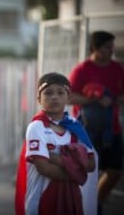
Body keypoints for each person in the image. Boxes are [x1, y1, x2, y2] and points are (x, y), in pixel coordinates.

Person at [15, 72, 96, 215]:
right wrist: (77, 171)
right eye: (48, 93)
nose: (54, 97)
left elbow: (91, 164)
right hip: (41, 201)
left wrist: (56, 159)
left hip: (71, 200)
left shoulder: (76, 127)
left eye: (60, 92)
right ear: (39, 99)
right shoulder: (37, 127)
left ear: (69, 98)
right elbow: (44, 168)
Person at [68, 31, 124, 214]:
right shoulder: (82, 69)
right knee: (88, 172)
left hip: (112, 129)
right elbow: (69, 96)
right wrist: (94, 99)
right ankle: (85, 206)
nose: (111, 51)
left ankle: (96, 202)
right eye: (107, 47)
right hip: (88, 131)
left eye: (112, 47)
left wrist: (114, 100)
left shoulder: (117, 68)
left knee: (116, 170)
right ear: (96, 48)